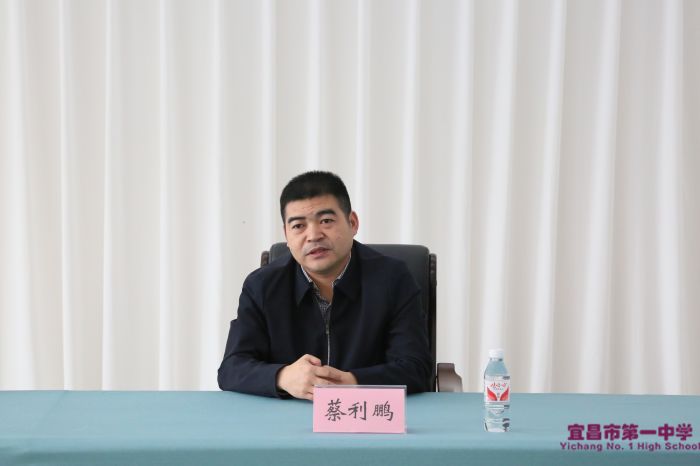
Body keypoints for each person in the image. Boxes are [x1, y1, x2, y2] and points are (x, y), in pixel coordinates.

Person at [218, 171, 432, 399]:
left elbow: (415, 367)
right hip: (288, 414)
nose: (313, 235)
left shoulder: (393, 279)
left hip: (365, 413)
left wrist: (353, 382)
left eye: (326, 221)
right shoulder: (262, 286)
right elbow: (232, 367)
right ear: (287, 235)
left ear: (352, 223)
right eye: (298, 225)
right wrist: (282, 376)